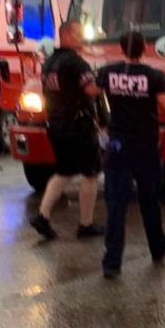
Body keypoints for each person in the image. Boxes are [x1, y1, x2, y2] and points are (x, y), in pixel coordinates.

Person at [96, 31, 165, 278]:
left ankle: (112, 262)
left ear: (121, 48)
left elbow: (91, 95)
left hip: (116, 146)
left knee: (116, 205)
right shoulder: (154, 76)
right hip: (146, 147)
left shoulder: (106, 72)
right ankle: (157, 246)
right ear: (145, 49)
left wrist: (101, 125)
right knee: (150, 201)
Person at [29, 21, 104, 240]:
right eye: (78, 34)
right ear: (67, 36)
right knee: (90, 173)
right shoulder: (76, 63)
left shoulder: (49, 63)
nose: (82, 39)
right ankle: (86, 224)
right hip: (78, 125)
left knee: (64, 171)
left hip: (56, 124)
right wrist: (105, 83)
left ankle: (42, 216)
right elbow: (90, 89)